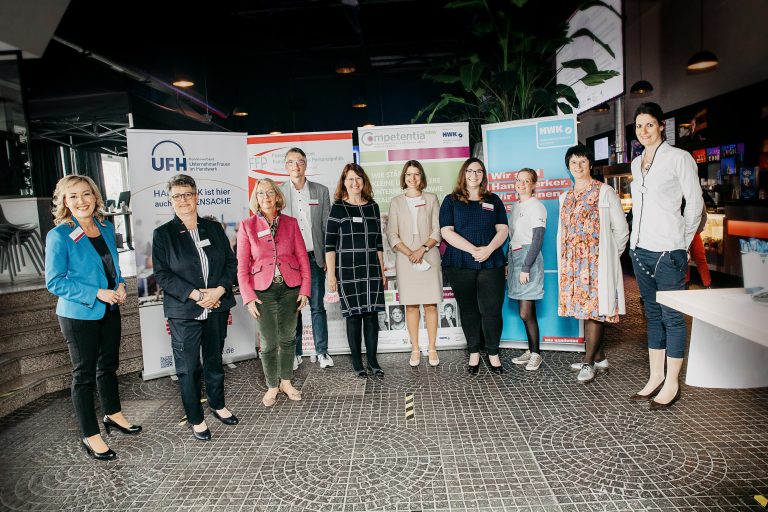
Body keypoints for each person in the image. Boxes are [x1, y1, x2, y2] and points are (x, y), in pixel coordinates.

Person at [45, 175, 140, 461]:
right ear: (63, 201)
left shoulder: (105, 227)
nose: (81, 201)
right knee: (84, 375)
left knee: (108, 365)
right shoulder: (60, 235)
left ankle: (113, 414)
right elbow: (55, 282)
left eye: (86, 194)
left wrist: (121, 284)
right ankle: (90, 433)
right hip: (79, 314)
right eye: (73, 196)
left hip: (110, 308)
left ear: (95, 197)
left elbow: (114, 266)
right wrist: (97, 292)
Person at [152, 174, 239, 441]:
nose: (183, 200)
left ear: (196, 196)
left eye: (187, 194)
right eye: (177, 196)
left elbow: (230, 264)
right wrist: (194, 294)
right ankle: (195, 418)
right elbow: (162, 274)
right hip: (185, 310)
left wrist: (220, 290)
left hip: (216, 305)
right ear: (171, 200)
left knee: (214, 360)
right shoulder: (163, 234)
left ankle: (218, 404)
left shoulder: (213, 229)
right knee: (189, 367)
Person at [629, 102, 703, 409]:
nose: (644, 131)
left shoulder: (679, 158)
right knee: (653, 316)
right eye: (638, 126)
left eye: (649, 124)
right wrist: (632, 244)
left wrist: (681, 243)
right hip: (641, 250)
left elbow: (695, 205)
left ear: (661, 126)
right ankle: (655, 376)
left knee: (673, 318)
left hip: (668, 251)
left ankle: (672, 382)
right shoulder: (636, 163)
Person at [557, 145, 629, 384]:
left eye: (583, 162)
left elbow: (621, 230)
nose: (578, 167)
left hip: (596, 263)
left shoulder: (604, 191)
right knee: (583, 310)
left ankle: (588, 363)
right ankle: (600, 358)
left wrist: (608, 256)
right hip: (573, 264)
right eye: (574, 163)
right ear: (568, 167)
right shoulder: (565, 197)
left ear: (590, 164)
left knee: (594, 311)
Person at [237, 178, 310, 407]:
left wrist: (305, 289)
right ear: (256, 199)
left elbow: (302, 258)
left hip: (290, 288)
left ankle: (286, 382)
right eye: (261, 193)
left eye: (270, 192)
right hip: (262, 292)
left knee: (288, 338)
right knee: (268, 343)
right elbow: (241, 266)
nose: (266, 197)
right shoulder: (247, 225)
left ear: (277, 196)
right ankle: (272, 385)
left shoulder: (290, 223)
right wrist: (248, 297)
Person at [439, 157, 509, 374]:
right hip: (460, 262)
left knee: (492, 310)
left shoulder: (494, 200)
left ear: (483, 175)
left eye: (478, 171)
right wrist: (473, 250)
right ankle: (474, 352)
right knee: (469, 310)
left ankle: (493, 353)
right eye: (470, 171)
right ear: (463, 174)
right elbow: (446, 232)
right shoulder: (450, 201)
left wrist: (487, 250)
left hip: (491, 261)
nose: (474, 175)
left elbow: (503, 230)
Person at [325, 163, 387, 377]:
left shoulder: (373, 207)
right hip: (347, 270)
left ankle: (372, 360)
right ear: (344, 182)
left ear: (364, 182)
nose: (354, 183)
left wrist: (382, 270)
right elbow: (329, 245)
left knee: (371, 316)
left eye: (358, 179)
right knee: (353, 316)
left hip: (371, 269)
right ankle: (356, 362)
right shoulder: (337, 208)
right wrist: (331, 275)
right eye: (350, 179)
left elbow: (378, 241)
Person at [278, 148, 334, 370]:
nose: (296, 166)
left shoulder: (321, 191)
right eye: (291, 162)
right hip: (290, 261)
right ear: (286, 166)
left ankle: (322, 352)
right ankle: (296, 353)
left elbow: (328, 229)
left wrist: (330, 263)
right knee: (294, 308)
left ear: (306, 164)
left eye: (300, 161)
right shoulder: (278, 192)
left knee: (317, 307)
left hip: (314, 258)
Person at [385, 160, 443, 367]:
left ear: (422, 177)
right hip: (405, 257)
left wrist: (422, 249)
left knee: (430, 305)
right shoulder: (396, 202)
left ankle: (433, 348)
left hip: (428, 253)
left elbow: (438, 230)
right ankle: (415, 348)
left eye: (416, 174)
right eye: (409, 174)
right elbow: (391, 233)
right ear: (404, 177)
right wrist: (410, 252)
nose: (413, 178)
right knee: (410, 306)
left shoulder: (431, 198)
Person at [508, 168, 547, 371]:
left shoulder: (537, 206)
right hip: (514, 257)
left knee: (525, 312)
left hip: (527, 259)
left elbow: (537, 239)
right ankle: (531, 350)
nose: (521, 184)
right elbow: (512, 236)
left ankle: (536, 354)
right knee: (523, 311)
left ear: (533, 185)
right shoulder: (516, 206)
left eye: (526, 181)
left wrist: (525, 267)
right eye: (518, 180)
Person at [686, 204, 711, 288]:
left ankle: (707, 284)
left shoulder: (698, 196)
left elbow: (704, 215)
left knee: (700, 258)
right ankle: (685, 284)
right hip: (683, 233)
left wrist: (697, 230)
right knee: (685, 259)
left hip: (694, 233)